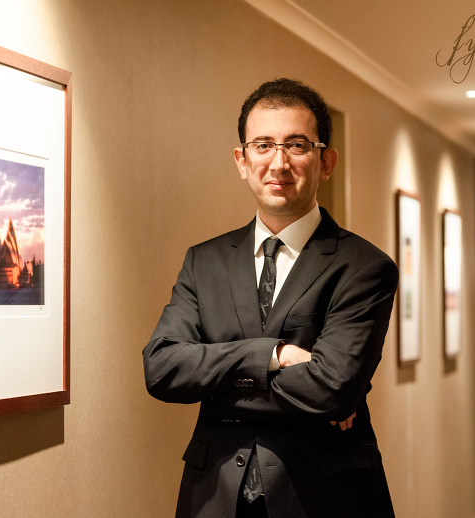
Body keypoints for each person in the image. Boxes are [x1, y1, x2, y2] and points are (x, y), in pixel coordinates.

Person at [143, 78, 398, 518]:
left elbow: (331, 391)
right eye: (263, 146)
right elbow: (163, 368)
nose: (278, 163)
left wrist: (214, 381)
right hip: (213, 496)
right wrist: (273, 356)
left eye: (297, 145)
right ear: (242, 161)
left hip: (324, 499)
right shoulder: (204, 261)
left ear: (326, 162)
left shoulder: (364, 266)